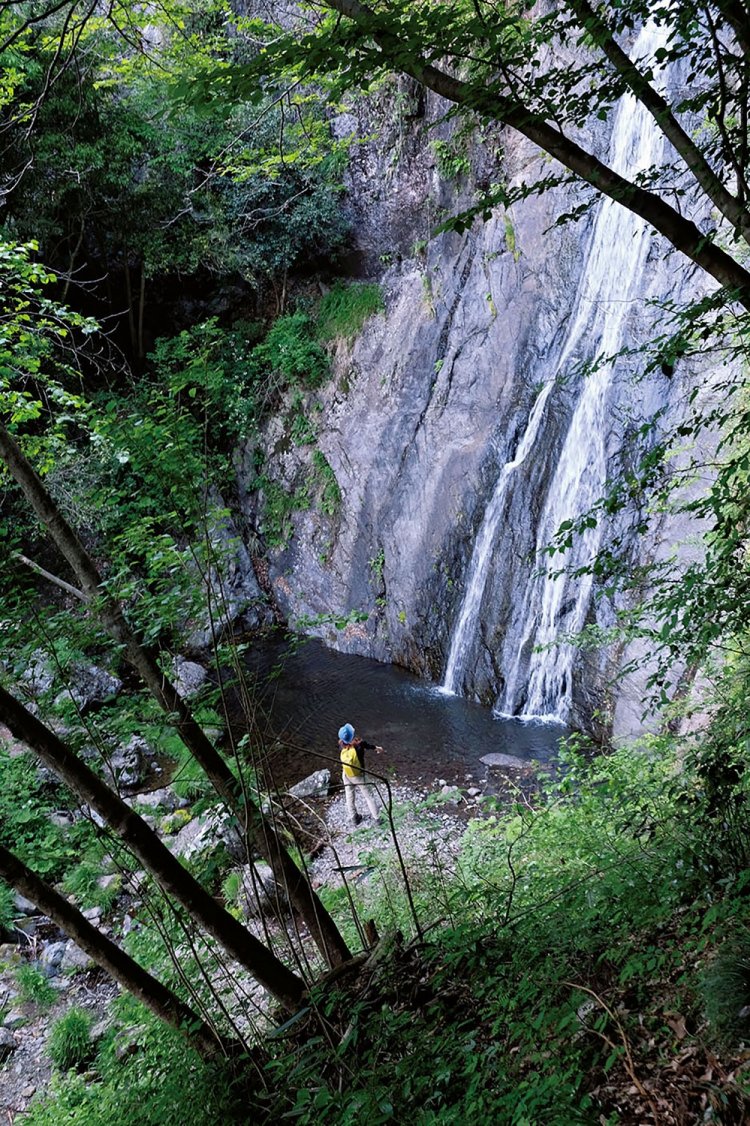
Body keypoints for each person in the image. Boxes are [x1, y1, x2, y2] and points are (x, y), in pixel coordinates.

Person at [338, 723, 383, 826]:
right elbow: (368, 746)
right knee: (369, 796)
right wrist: (377, 748)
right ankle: (377, 818)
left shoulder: (341, 745)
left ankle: (354, 818)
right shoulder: (359, 745)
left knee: (349, 795)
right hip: (359, 775)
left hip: (346, 774)